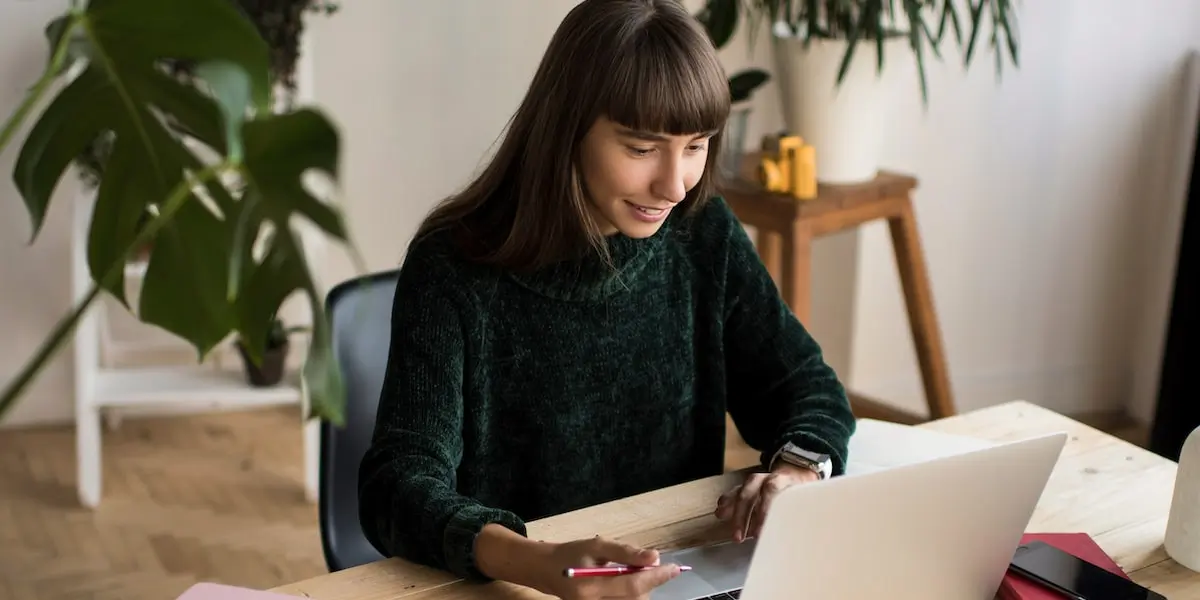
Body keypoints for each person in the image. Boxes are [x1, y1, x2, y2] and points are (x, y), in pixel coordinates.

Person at [357, 0, 856, 598]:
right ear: (567, 128)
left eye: (696, 145)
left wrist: (796, 473)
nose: (674, 185)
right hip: (515, 586)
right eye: (642, 149)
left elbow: (805, 386)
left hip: (677, 576)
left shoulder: (701, 231)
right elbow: (397, 487)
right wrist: (531, 561)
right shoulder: (453, 269)